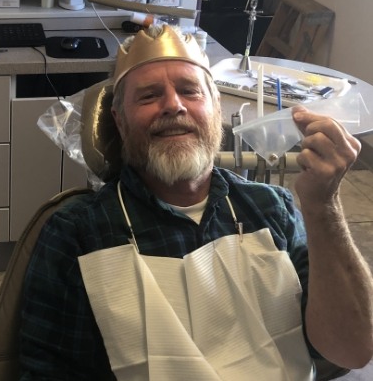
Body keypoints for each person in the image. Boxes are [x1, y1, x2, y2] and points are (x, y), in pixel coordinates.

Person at [19, 25, 373, 380]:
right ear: (119, 121)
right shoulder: (78, 233)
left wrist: (323, 207)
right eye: (148, 96)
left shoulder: (270, 210)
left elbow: (352, 349)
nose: (173, 105)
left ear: (216, 109)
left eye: (190, 91)